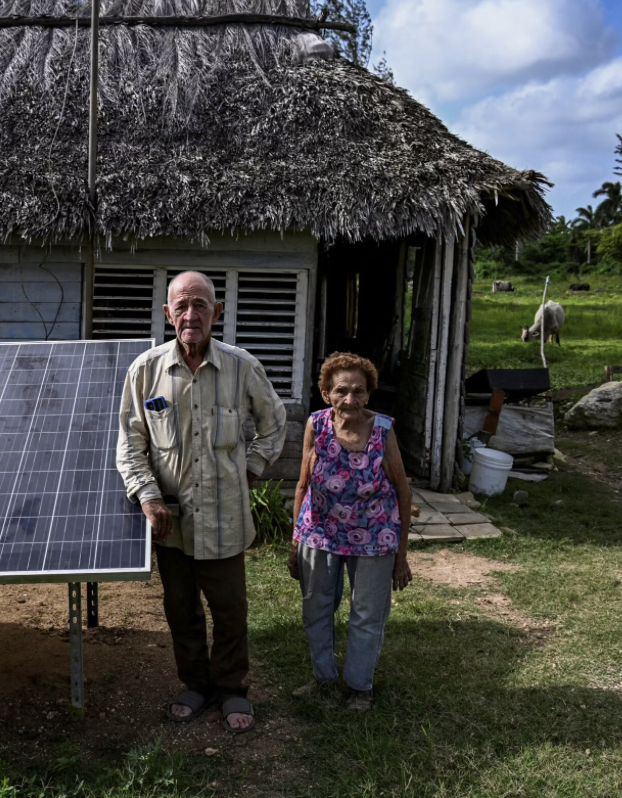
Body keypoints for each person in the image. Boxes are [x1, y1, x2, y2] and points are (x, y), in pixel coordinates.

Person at [116, 271, 287, 734]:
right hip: (173, 521)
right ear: (167, 313)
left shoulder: (241, 366)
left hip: (226, 517)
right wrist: (149, 498)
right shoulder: (146, 370)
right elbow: (130, 443)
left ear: (218, 312)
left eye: (201, 305)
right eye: (182, 306)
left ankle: (231, 689)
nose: (191, 315)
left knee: (230, 610)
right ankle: (195, 684)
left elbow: (274, 424)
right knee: (181, 609)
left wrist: (251, 469)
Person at [288, 351, 414, 711]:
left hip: (375, 535)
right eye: (341, 391)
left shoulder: (383, 429)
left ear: (368, 394)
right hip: (320, 531)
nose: (350, 399)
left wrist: (401, 556)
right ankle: (323, 676)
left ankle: (360, 687)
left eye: (359, 392)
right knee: (316, 607)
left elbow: (403, 492)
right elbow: (302, 485)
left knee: (366, 613)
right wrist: (295, 544)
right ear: (326, 393)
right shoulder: (317, 424)